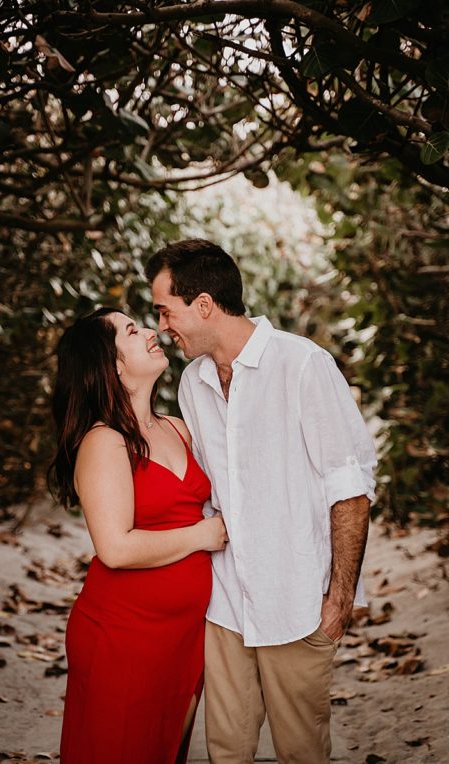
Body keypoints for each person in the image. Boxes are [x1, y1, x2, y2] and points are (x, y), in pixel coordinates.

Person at [147, 239, 377, 764]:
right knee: (225, 751)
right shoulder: (192, 382)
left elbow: (351, 490)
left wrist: (339, 599)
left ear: (203, 304)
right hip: (225, 604)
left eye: (166, 309)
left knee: (302, 752)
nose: (162, 325)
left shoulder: (302, 365)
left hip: (297, 603)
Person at [49, 307, 228, 763]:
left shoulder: (178, 429)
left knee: (165, 753)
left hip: (184, 635)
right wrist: (201, 535)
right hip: (123, 635)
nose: (151, 331)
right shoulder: (103, 441)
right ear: (112, 364)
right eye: (132, 330)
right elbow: (115, 547)